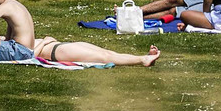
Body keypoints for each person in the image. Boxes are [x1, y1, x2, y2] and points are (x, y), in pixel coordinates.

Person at [31, 38, 161, 66]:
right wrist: (44, 42)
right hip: (57, 51)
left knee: (108, 52)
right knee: (105, 57)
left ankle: (144, 57)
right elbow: (29, 56)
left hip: (61, 46)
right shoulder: (11, 50)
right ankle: (142, 60)